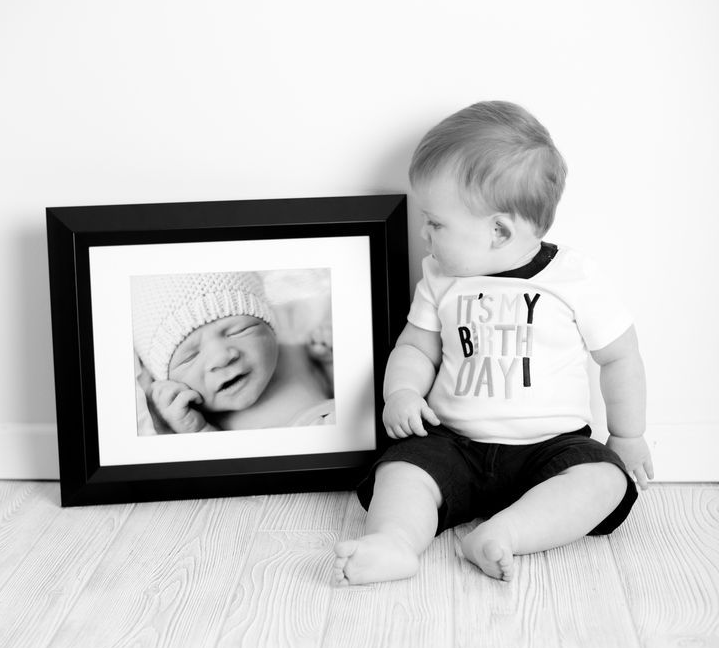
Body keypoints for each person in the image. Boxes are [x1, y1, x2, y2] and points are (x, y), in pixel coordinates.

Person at [333, 101, 653, 586]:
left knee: (603, 480)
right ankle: (394, 543)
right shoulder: (441, 279)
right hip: (452, 442)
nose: (423, 234)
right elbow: (417, 348)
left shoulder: (573, 277)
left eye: (435, 224)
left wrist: (627, 437)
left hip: (551, 447)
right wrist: (401, 393)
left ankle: (507, 533)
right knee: (400, 471)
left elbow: (619, 356)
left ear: (499, 230)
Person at [131, 270, 334, 433]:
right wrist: (196, 429)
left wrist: (330, 359)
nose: (221, 357)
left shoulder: (296, 351)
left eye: (239, 331)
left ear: (270, 326)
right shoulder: (201, 416)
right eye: (189, 357)